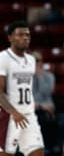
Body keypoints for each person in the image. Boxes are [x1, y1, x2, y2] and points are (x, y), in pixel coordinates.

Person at [0, 21, 45, 156]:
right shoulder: (3, 58)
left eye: (27, 35)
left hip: (29, 114)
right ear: (10, 38)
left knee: (38, 151)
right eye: (20, 34)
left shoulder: (31, 60)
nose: (25, 37)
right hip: (8, 115)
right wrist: (14, 112)